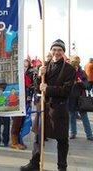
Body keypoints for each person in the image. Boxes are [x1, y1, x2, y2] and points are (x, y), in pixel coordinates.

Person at [20, 39, 76, 171]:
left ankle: (62, 167)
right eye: (54, 49)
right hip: (43, 107)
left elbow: (66, 91)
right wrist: (39, 76)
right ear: (51, 51)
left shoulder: (69, 69)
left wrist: (48, 88)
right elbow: (37, 88)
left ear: (63, 52)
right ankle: (34, 163)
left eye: (59, 50)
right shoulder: (44, 66)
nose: (56, 52)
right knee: (38, 137)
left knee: (62, 140)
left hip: (59, 109)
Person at [68, 55, 93, 141]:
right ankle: (73, 133)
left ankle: (89, 135)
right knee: (72, 116)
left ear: (78, 64)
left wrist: (81, 82)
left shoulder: (82, 72)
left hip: (81, 99)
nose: (75, 66)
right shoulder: (68, 73)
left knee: (84, 117)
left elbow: (88, 86)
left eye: (76, 63)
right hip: (71, 98)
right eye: (73, 63)